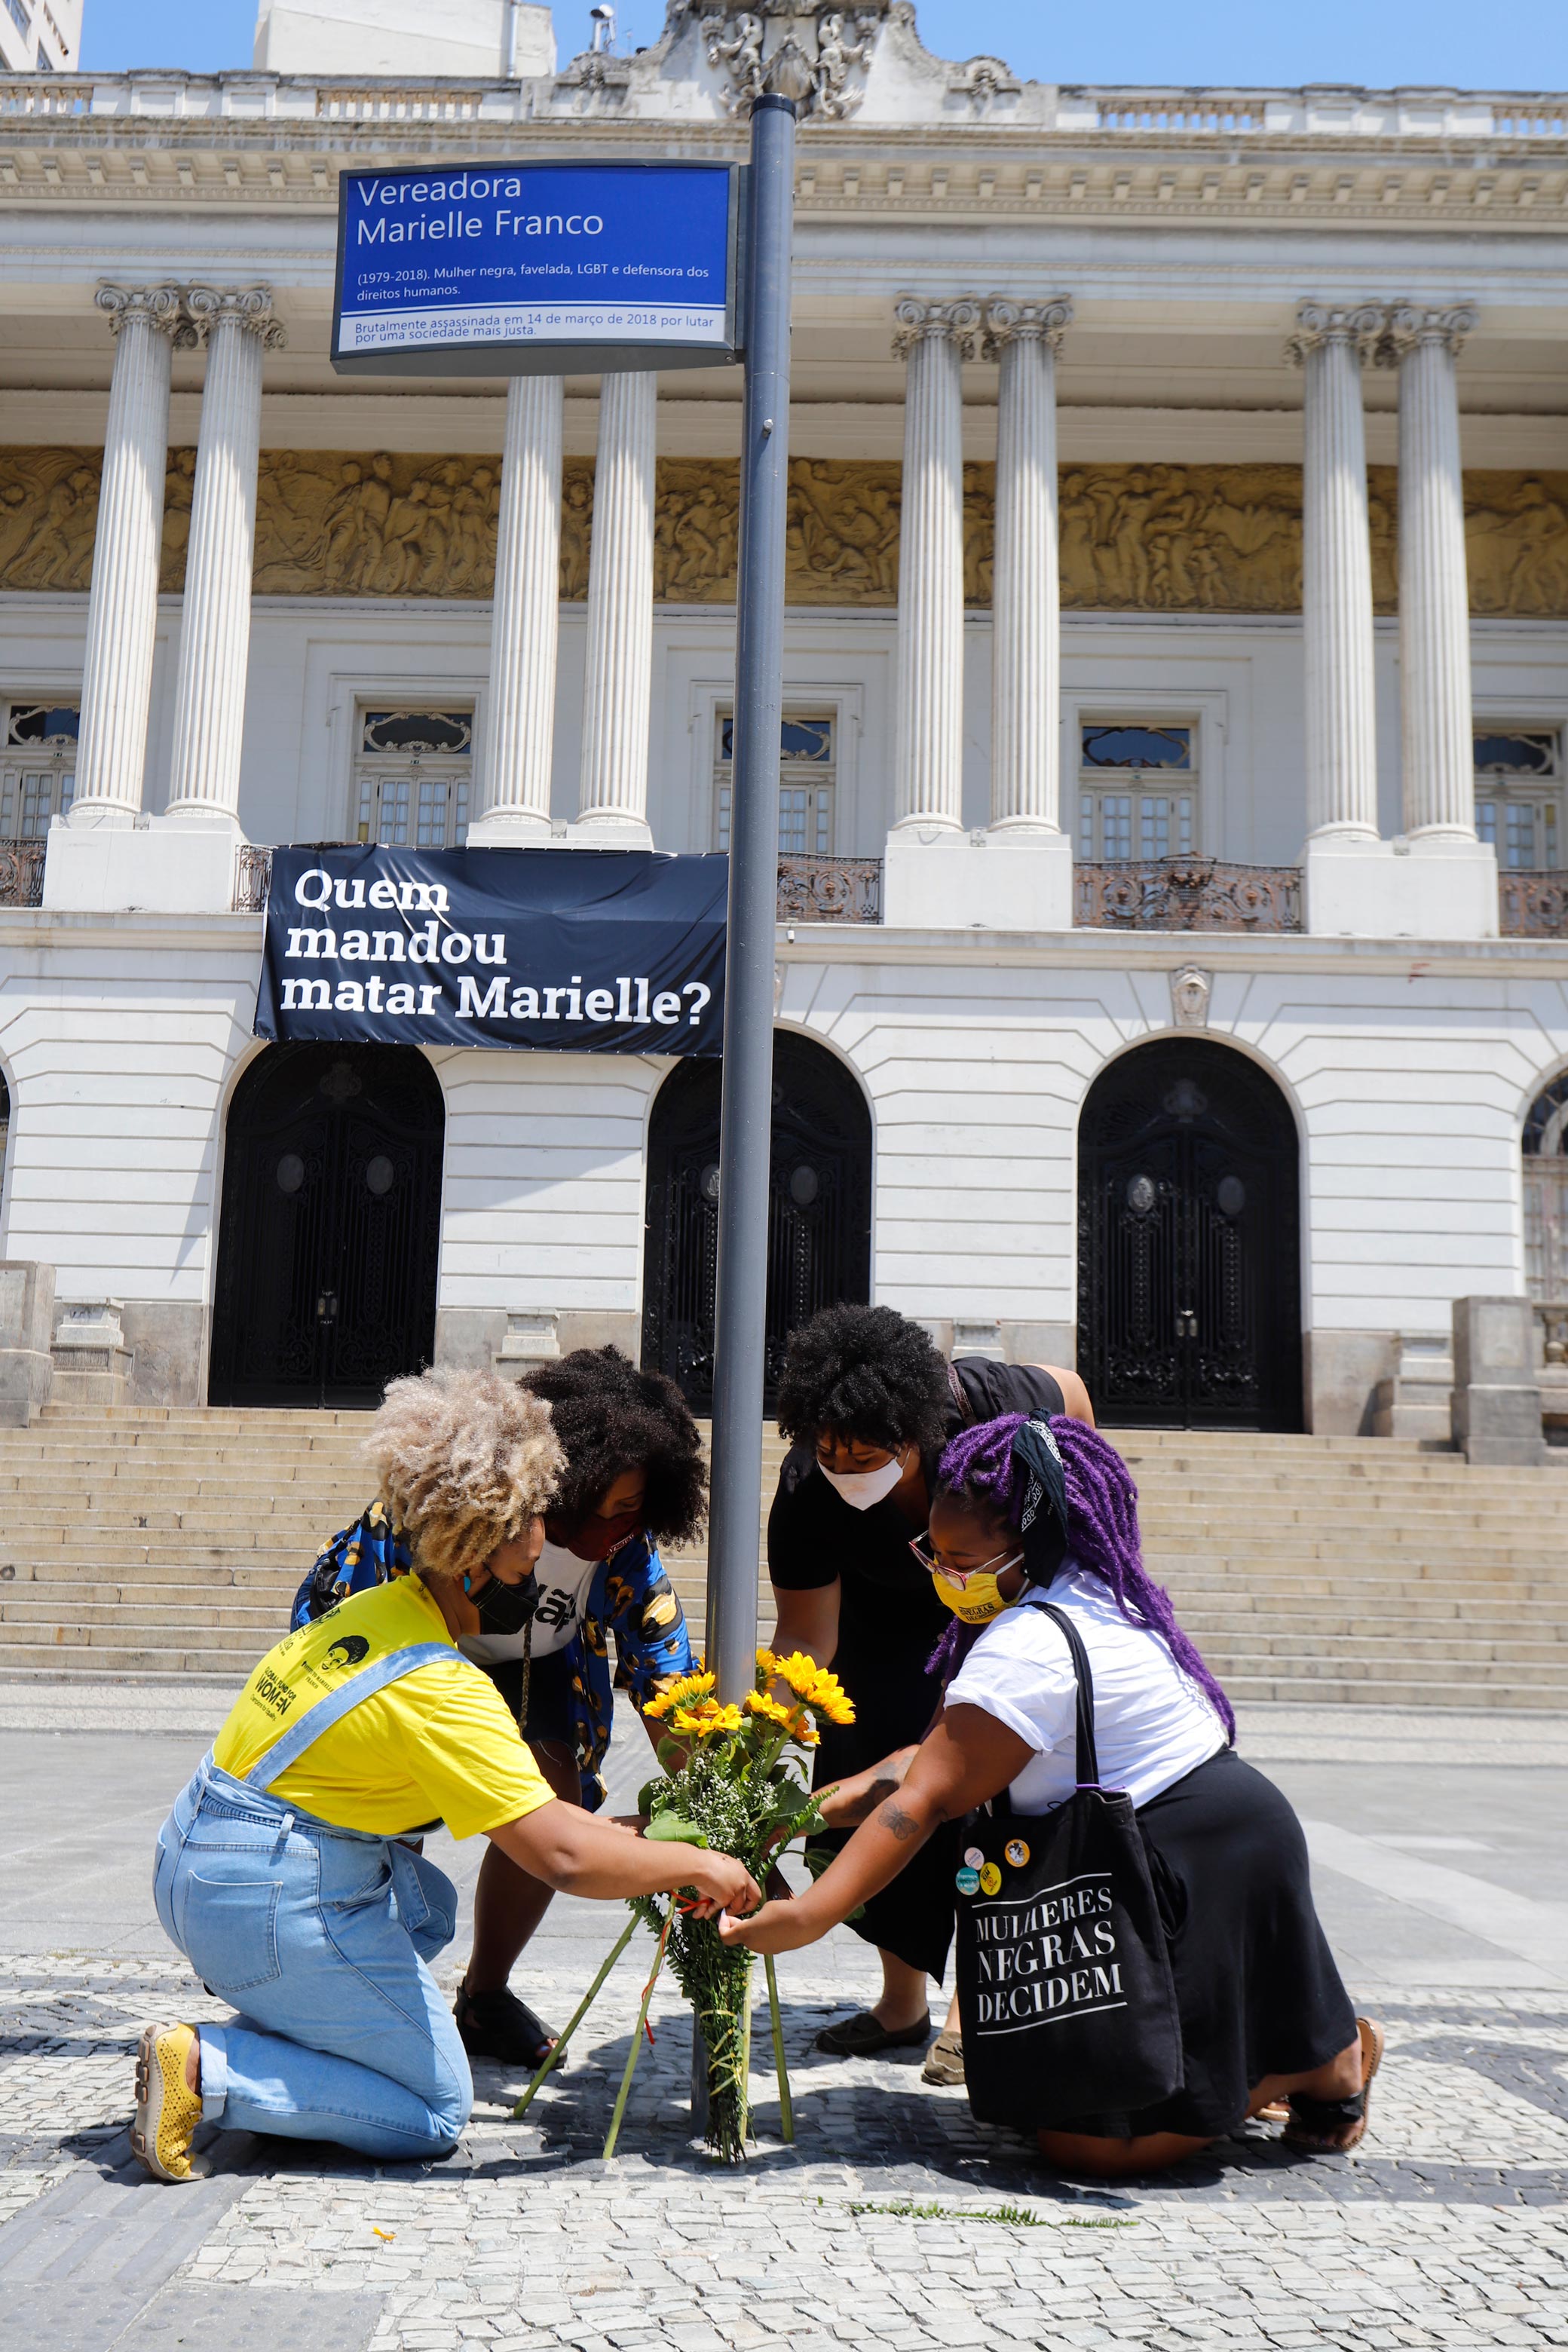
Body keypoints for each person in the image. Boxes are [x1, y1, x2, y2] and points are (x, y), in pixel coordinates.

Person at [134, 1368, 756, 2186]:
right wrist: (704, 1862)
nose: (542, 1555)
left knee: (432, 1916)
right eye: (532, 1524)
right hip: (269, 1901)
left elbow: (568, 1816)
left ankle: (314, 2030)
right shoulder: (441, 1684)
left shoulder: (370, 1615)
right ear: (482, 1543)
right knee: (433, 2107)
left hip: (193, 1863)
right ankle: (211, 2069)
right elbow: (561, 1857)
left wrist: (669, 1826)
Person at [725, 1411, 1380, 2177]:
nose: (943, 1575)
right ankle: (1283, 2049)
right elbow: (923, 1764)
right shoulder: (1067, 1594)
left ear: (1026, 1543)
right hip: (1176, 1840)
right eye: (932, 1554)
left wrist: (807, 1916)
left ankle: (1311, 2063)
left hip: (1196, 1859)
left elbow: (922, 1801)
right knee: (1037, 2110)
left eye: (960, 1558)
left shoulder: (1029, 1643)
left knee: (1087, 2148)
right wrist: (795, 1816)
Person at [294, 1346, 706, 2071]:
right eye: (613, 1505)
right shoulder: (459, 1503)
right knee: (386, 1811)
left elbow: (668, 1684)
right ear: (564, 1486)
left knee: (556, 1795)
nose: (625, 1523)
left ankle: (485, 1996)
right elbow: (337, 1634)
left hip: (541, 1669)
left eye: (640, 1507)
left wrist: (709, 1806)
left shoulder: (627, 1553)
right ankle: (360, 1988)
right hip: (413, 1659)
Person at [766, 1303, 1094, 2070]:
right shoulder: (807, 1492)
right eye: (831, 1456)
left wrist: (1069, 1512)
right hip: (883, 1625)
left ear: (917, 1432)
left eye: (868, 1457)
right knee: (875, 1773)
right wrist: (754, 1740)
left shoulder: (989, 1409)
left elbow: (1071, 1393)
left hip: (1000, 1597)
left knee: (986, 1788)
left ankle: (971, 2007)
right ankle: (901, 2001)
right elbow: (805, 1637)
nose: (848, 1474)